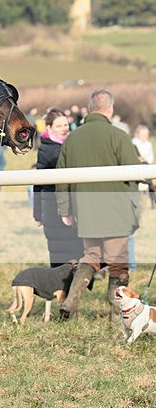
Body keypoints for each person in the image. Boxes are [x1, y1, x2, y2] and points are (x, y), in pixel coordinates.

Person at [56, 89, 140, 321]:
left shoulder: (72, 138)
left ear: (90, 107)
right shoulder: (119, 136)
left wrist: (65, 209)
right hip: (116, 212)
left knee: (91, 256)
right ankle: (117, 314)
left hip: (85, 211)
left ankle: (71, 301)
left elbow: (62, 177)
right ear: (110, 109)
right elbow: (135, 172)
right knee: (118, 263)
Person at [33, 109, 83, 266]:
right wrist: (38, 213)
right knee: (62, 254)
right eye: (59, 126)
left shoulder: (68, 145)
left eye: (66, 125)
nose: (64, 128)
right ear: (48, 128)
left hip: (65, 205)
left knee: (70, 252)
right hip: (54, 207)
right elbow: (38, 183)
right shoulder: (50, 149)